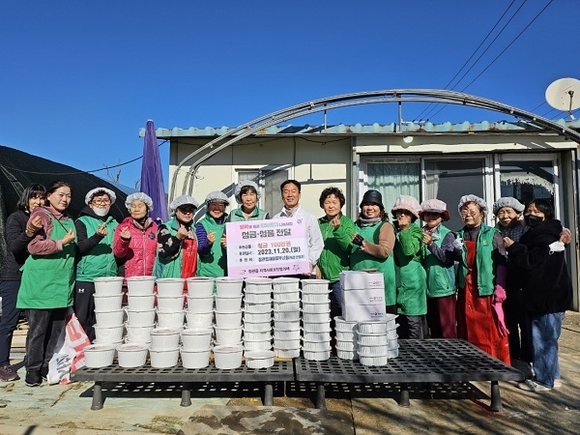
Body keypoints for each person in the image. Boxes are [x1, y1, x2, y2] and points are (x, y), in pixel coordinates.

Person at [504, 199, 573, 392]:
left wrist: (513, 247)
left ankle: (543, 381)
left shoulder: (545, 237)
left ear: (546, 214)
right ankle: (553, 376)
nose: (530, 215)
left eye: (535, 211)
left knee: (543, 341)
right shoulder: (544, 233)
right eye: (528, 211)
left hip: (546, 298)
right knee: (548, 340)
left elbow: (531, 261)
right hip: (546, 297)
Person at [16, 181, 76, 387]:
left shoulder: (68, 220)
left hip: (61, 284)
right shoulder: (40, 216)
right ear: (49, 196)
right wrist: (61, 243)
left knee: (55, 330)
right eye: (60, 194)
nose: (65, 199)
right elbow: (33, 247)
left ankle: (45, 367)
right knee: (38, 331)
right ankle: (32, 370)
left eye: (68, 195)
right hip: (41, 283)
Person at [455, 194, 510, 365]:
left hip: (486, 288)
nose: (468, 215)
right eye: (464, 212)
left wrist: (500, 286)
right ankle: (470, 364)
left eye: (472, 211)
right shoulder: (459, 235)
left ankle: (492, 363)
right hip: (466, 289)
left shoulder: (493, 234)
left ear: (482, 214)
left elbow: (502, 262)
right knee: (467, 327)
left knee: (488, 329)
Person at [0, 184, 45, 382]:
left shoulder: (47, 220)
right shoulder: (16, 218)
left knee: (36, 322)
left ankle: (33, 362)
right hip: (15, 276)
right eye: (34, 197)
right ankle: (3, 363)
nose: (38, 201)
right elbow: (14, 247)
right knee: (9, 321)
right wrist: (29, 231)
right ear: (26, 199)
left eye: (42, 198)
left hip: (36, 277)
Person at [74, 187, 119, 342]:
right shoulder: (82, 222)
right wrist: (97, 237)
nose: (102, 203)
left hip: (108, 278)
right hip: (87, 278)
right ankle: (82, 349)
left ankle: (101, 348)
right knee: (83, 317)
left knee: (104, 318)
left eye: (106, 200)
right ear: (90, 203)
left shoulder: (114, 223)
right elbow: (79, 248)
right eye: (98, 200)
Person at [493, 197, 531, 373]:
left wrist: (565, 232)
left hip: (523, 282)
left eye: (509, 212)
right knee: (509, 323)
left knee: (526, 324)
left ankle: (528, 359)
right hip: (503, 281)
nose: (505, 216)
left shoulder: (526, 229)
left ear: (518, 213)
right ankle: (513, 357)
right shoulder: (495, 232)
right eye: (501, 213)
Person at [350, 190, 396, 314]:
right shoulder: (354, 226)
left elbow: (384, 251)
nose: (370, 208)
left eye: (374, 204)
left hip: (380, 284)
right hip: (359, 283)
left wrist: (363, 243)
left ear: (380, 209)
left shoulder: (385, 226)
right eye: (366, 204)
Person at [316, 187, 356, 316]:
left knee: (343, 310)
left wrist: (338, 229)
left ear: (341, 204)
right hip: (321, 278)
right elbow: (312, 246)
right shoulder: (318, 223)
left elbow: (348, 246)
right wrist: (316, 265)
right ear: (322, 205)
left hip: (340, 276)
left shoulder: (347, 222)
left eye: (334, 202)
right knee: (322, 312)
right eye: (327, 202)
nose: (331, 206)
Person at [420, 199, 457, 339]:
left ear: (442, 217)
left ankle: (451, 354)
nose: (431, 217)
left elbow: (447, 259)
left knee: (447, 331)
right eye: (428, 214)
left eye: (435, 214)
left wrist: (431, 244)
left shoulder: (448, 234)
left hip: (443, 289)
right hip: (426, 288)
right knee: (433, 329)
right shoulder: (419, 233)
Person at [391, 195, 427, 339]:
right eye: (399, 212)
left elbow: (409, 250)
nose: (402, 215)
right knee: (400, 327)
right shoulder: (394, 230)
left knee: (413, 324)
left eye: (406, 213)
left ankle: (418, 351)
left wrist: (405, 229)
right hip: (398, 282)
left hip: (413, 282)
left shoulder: (416, 231)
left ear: (412, 216)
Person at [273, 180, 323, 276]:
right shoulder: (276, 219)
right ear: (282, 195)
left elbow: (317, 243)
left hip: (304, 272)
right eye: (286, 192)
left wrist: (310, 262)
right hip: (282, 271)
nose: (289, 195)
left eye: (293, 191)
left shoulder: (309, 217)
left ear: (299, 195)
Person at [113, 192, 158, 278]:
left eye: (140, 206)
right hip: (129, 278)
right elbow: (118, 253)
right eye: (133, 206)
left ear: (147, 208)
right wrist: (124, 240)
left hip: (151, 278)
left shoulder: (155, 228)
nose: (136, 209)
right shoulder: (123, 227)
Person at [154, 195, 199, 279]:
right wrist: (177, 238)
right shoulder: (165, 228)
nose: (188, 213)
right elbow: (164, 252)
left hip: (190, 279)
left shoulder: (194, 230)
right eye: (184, 209)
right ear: (176, 211)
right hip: (171, 279)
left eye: (191, 210)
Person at [196, 191, 229, 278]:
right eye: (213, 204)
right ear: (208, 206)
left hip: (228, 274)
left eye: (221, 205)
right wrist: (208, 243)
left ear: (225, 207)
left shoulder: (231, 223)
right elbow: (201, 251)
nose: (217, 208)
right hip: (207, 275)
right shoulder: (201, 225)